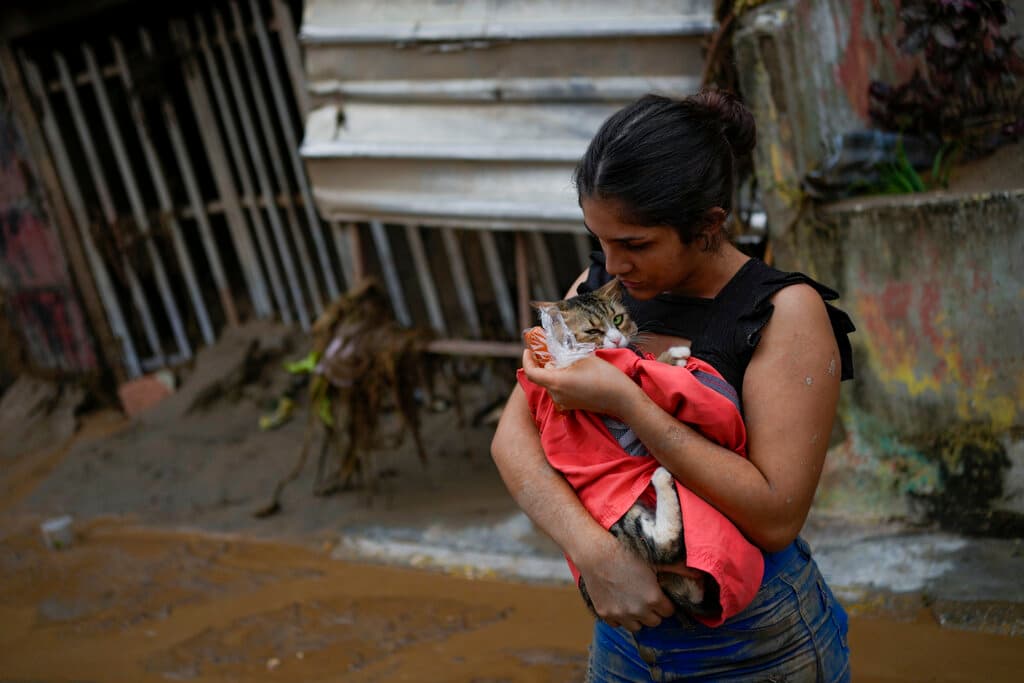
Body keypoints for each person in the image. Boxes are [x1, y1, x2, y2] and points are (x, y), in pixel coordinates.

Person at [490, 91, 855, 682]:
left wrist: (629, 403)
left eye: (635, 244)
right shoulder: (600, 287)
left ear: (708, 225)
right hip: (624, 634)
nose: (614, 265)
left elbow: (774, 516)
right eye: (600, 238)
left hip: (757, 646)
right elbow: (513, 440)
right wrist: (595, 555)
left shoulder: (783, 313)